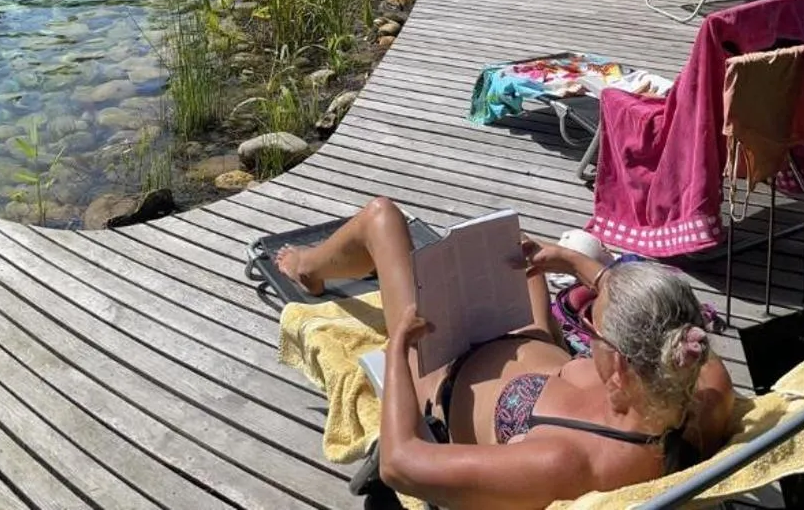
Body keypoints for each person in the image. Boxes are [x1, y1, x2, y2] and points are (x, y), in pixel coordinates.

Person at [276, 197, 734, 509]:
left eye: (592, 321)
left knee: (382, 218)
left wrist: (396, 352)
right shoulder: (698, 386)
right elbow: (665, 324)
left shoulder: (565, 462)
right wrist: (576, 264)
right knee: (517, 254)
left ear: (617, 362)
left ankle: (307, 269)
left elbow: (401, 464)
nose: (588, 322)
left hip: (440, 365)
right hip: (531, 339)